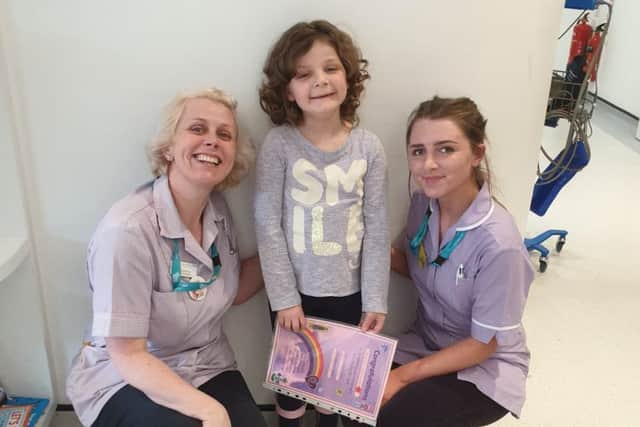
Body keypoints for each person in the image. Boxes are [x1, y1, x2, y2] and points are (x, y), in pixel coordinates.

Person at [66, 88, 268, 427]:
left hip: (206, 364)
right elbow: (127, 353)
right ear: (168, 147)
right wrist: (208, 410)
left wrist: (287, 250)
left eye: (224, 134)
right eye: (197, 129)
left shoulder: (217, 210)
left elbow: (232, 292)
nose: (212, 141)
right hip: (127, 375)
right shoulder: (127, 230)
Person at [354, 96, 534, 426]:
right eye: (418, 151)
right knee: (355, 393)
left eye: (446, 149)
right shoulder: (423, 204)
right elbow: (419, 265)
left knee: (394, 416)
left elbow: (483, 345)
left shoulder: (499, 245)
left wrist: (404, 376)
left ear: (476, 154)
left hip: (484, 366)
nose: (429, 164)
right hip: (426, 344)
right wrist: (361, 243)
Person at [255, 20, 390, 427]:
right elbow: (266, 223)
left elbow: (378, 229)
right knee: (292, 392)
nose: (320, 81)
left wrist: (376, 300)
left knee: (331, 394)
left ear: (349, 75)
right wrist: (284, 298)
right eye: (303, 73)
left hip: (349, 295)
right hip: (293, 298)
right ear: (287, 90)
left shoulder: (369, 147)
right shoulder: (279, 143)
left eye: (330, 68)